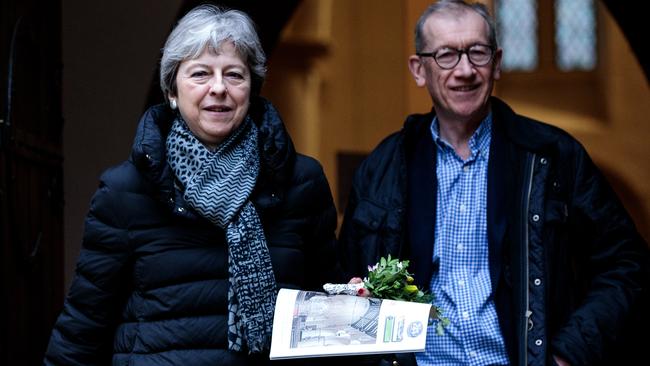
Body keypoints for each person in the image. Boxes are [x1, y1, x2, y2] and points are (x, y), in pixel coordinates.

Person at [337, 1, 649, 365]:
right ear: (419, 69)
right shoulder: (384, 167)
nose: (465, 70)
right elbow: (349, 286)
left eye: (477, 53)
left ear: (497, 62)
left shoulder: (553, 157)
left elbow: (626, 266)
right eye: (447, 56)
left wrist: (568, 353)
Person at [44, 5, 341, 365]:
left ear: (253, 87)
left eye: (234, 74)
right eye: (200, 74)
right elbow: (83, 326)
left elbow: (332, 314)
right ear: (172, 90)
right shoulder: (125, 191)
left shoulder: (301, 183)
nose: (218, 88)